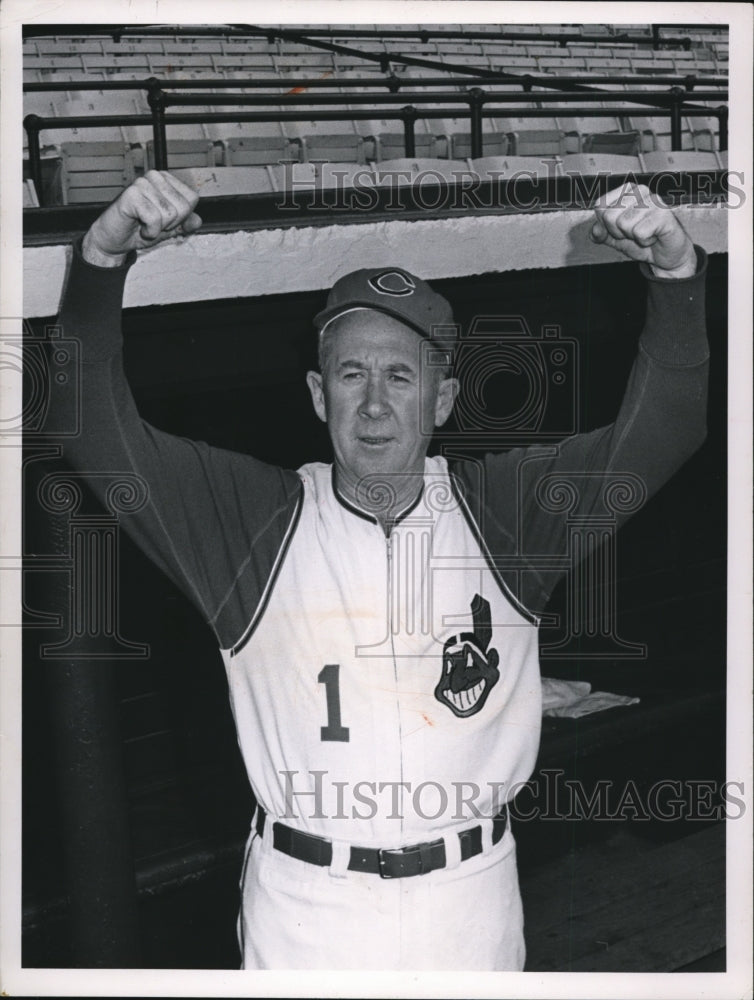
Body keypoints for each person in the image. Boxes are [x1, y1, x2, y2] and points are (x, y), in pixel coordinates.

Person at [51, 170, 708, 970]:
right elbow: (95, 429)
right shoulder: (252, 521)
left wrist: (674, 278)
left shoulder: (506, 512)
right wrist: (99, 263)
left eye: (401, 376)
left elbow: (665, 429)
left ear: (442, 400)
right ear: (317, 395)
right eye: (351, 374)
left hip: (471, 902)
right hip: (308, 911)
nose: (373, 404)